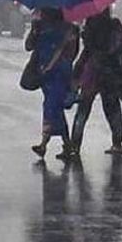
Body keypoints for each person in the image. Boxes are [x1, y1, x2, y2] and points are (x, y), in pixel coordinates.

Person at [70, 8, 122, 155]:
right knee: (112, 109)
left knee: (83, 110)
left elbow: (86, 52)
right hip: (110, 73)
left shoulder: (90, 26)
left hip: (92, 72)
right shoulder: (114, 26)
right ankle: (117, 143)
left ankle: (74, 145)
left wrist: (77, 72)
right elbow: (121, 49)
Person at [26, 8, 79, 159]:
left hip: (59, 74)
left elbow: (72, 52)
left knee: (51, 107)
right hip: (46, 75)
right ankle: (67, 144)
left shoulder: (69, 30)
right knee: (55, 110)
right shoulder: (41, 28)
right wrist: (33, 30)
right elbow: (28, 46)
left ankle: (44, 144)